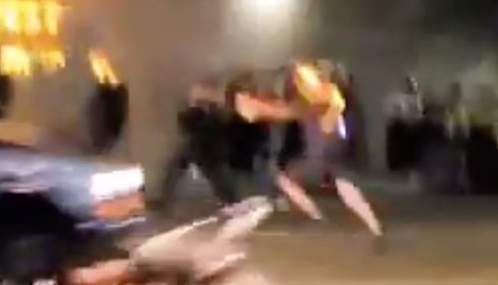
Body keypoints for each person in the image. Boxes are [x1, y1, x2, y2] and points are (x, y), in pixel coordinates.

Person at [234, 61, 386, 251]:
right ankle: (376, 230)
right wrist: (261, 106)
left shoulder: (323, 97)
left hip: (324, 153)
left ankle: (318, 218)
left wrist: (258, 109)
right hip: (338, 152)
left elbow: (288, 111)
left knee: (283, 178)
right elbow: (289, 107)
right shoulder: (330, 95)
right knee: (348, 190)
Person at [154, 76, 239, 214]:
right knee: (177, 170)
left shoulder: (214, 111)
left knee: (216, 177)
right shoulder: (207, 110)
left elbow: (196, 126)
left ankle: (231, 203)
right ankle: (164, 201)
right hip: (198, 146)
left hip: (205, 147)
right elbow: (187, 125)